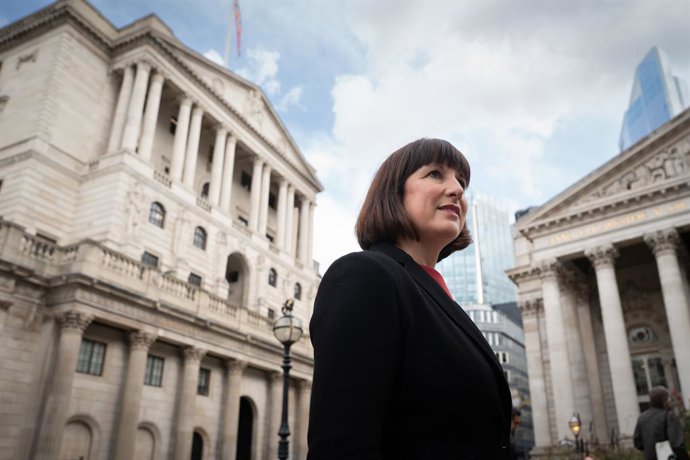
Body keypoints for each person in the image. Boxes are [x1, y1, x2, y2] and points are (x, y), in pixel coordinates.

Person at [307, 138, 513, 459]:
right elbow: (343, 444)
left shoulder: (437, 296)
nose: (457, 189)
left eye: (461, 181)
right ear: (393, 193)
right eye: (435, 174)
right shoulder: (365, 275)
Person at [634, 386, 689, 460]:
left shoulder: (642, 417)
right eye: (668, 398)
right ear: (664, 400)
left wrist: (651, 449)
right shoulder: (669, 416)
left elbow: (638, 443)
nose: (669, 400)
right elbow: (677, 444)